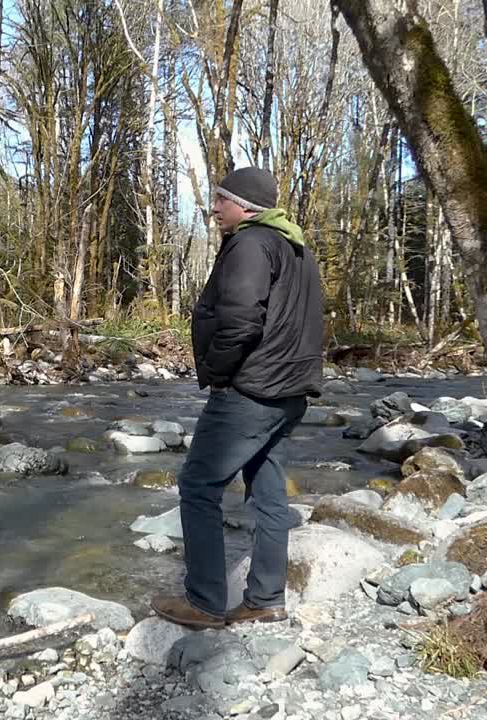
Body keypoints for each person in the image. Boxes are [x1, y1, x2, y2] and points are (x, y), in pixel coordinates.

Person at [151, 167, 324, 629]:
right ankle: (266, 599)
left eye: (220, 200)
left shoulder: (250, 244)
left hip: (250, 390)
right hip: (289, 390)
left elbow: (242, 320)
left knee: (198, 486)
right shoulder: (295, 246)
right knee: (269, 495)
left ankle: (204, 602)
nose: (213, 208)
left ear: (244, 206)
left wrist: (218, 372)